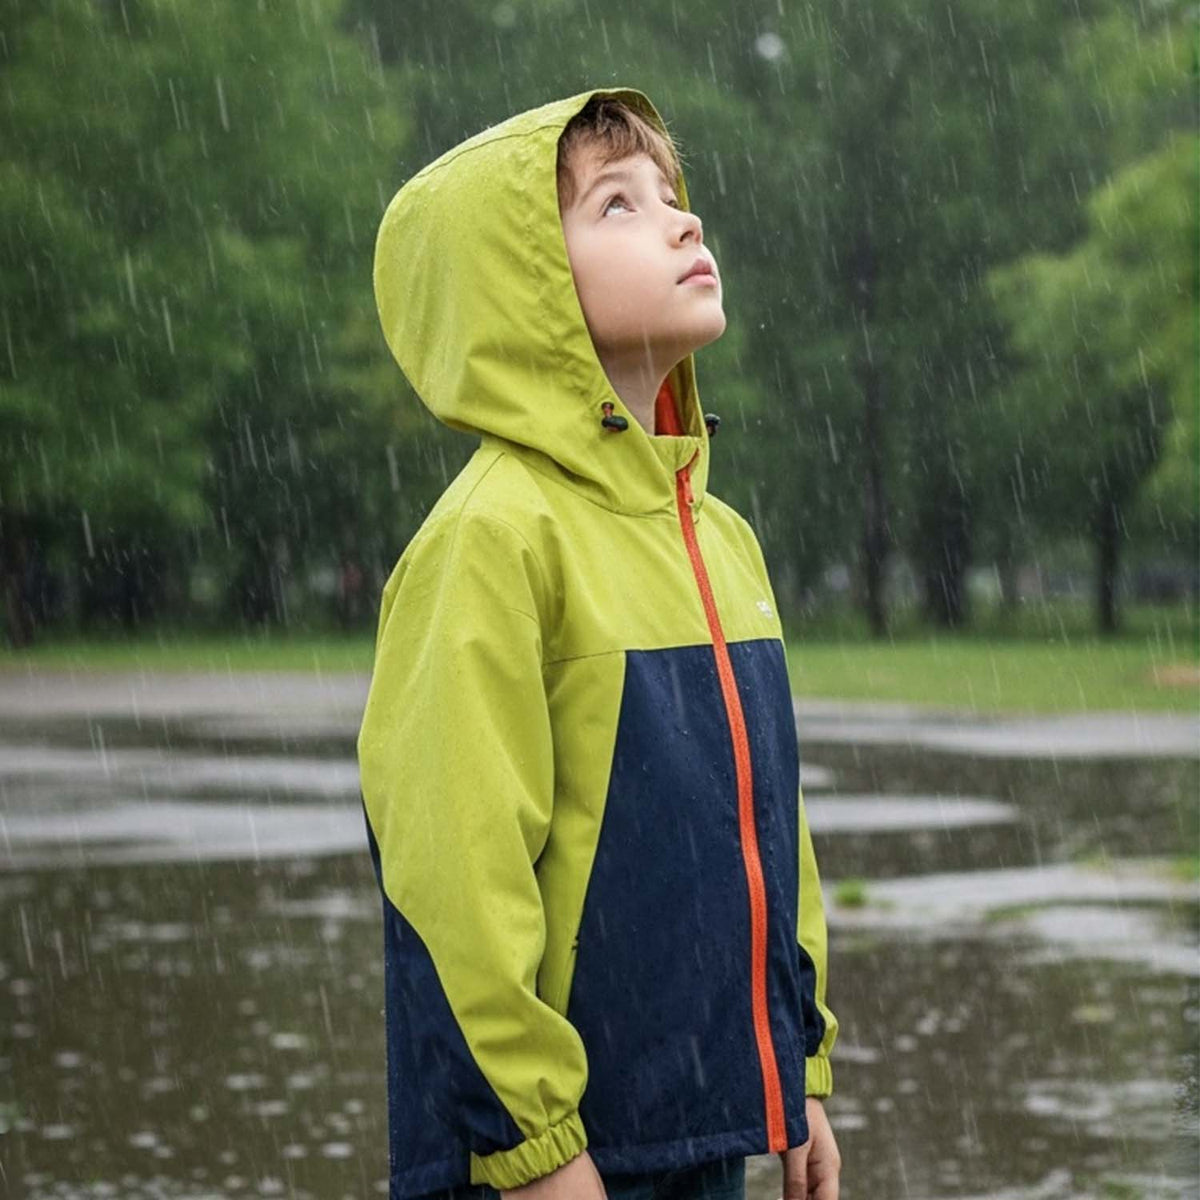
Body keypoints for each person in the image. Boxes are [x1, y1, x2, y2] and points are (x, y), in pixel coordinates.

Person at [357, 87, 841, 1200]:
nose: (683, 222)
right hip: (559, 1158)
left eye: (672, 194)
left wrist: (795, 1063)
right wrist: (533, 1149)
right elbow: (451, 883)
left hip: (708, 1127)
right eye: (618, 204)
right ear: (521, 285)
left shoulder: (722, 542)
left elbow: (774, 835)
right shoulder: (490, 541)